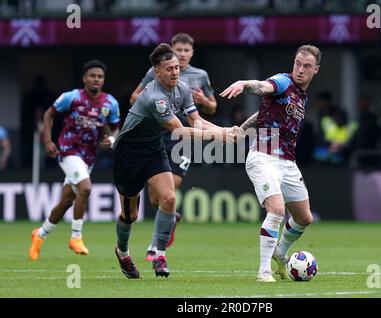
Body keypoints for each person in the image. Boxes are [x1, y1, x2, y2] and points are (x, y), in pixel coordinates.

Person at [113, 43, 236, 279]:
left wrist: (225, 130)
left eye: (177, 68)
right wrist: (220, 135)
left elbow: (196, 122)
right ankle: (123, 251)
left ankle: (159, 255)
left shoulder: (182, 88)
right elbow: (179, 131)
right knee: (130, 216)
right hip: (128, 154)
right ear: (156, 72)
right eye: (169, 69)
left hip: (153, 150)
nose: (175, 72)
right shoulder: (154, 98)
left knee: (168, 199)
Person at [220, 44, 321, 282]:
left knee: (305, 218)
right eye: (297, 63)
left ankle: (281, 252)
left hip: (287, 162)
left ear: (315, 70)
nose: (300, 69)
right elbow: (264, 87)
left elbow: (264, 113)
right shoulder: (284, 82)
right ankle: (264, 271)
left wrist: (242, 127)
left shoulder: (300, 97)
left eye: (306, 66)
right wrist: (245, 84)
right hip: (263, 156)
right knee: (276, 209)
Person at [130, 33, 218, 262]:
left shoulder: (200, 76)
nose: (182, 54)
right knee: (155, 197)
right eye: (179, 50)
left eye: (187, 51)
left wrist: (203, 102)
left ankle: (154, 246)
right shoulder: (156, 73)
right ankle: (171, 217)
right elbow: (134, 97)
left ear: (192, 52)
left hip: (183, 139)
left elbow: (212, 107)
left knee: (172, 186)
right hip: (157, 137)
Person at [28, 60, 120, 260]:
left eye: (100, 76)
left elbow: (114, 127)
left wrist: (111, 139)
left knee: (67, 201)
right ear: (84, 78)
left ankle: (40, 234)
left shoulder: (110, 103)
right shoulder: (71, 97)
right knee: (86, 188)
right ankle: (76, 237)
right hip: (68, 151)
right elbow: (48, 114)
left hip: (88, 157)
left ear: (103, 80)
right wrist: (48, 141)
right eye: (92, 76)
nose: (96, 79)